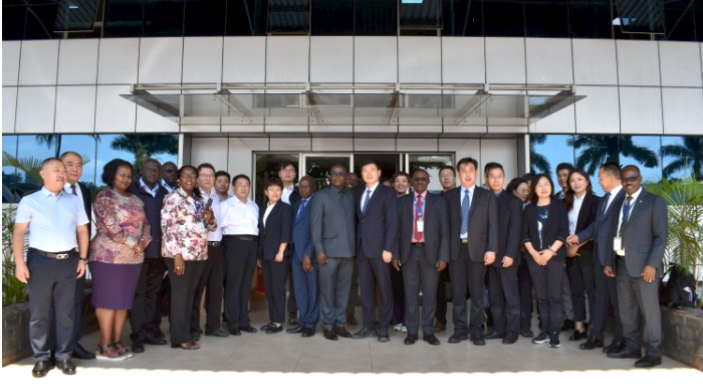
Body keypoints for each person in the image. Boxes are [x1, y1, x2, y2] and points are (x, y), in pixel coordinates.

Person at [13, 158, 89, 378]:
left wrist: (82, 259)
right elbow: (19, 232)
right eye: (57, 170)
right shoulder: (30, 201)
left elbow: (82, 231)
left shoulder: (73, 200)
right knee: (39, 313)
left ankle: (64, 356)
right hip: (40, 262)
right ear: (43, 173)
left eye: (63, 171)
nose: (62, 174)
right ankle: (41, 358)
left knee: (66, 312)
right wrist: (20, 263)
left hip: (68, 262)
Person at [604, 165, 667, 368]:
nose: (628, 182)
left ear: (640, 178)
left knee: (649, 312)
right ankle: (632, 347)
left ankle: (654, 352)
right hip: (622, 265)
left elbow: (660, 237)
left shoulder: (654, 202)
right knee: (627, 311)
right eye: (624, 179)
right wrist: (610, 261)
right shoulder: (619, 203)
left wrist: (652, 264)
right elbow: (614, 234)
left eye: (632, 178)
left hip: (644, 268)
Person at [90, 159, 152, 360]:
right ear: (112, 175)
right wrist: (135, 242)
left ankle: (117, 341)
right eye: (121, 174)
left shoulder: (136, 199)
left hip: (133, 259)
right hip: (107, 257)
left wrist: (144, 242)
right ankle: (104, 344)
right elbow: (111, 226)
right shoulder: (104, 197)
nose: (126, 178)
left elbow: (147, 225)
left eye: (128, 175)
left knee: (123, 301)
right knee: (108, 300)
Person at [567, 161, 627, 352]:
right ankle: (596, 336)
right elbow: (595, 227)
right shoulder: (605, 199)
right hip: (599, 260)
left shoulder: (625, 198)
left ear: (610, 178)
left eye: (601, 178)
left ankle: (620, 340)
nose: (599, 182)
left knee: (618, 303)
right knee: (598, 300)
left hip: (616, 260)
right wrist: (579, 237)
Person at [161, 165, 217, 350]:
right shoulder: (172, 199)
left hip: (198, 254)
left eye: (193, 176)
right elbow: (168, 228)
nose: (189, 179)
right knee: (180, 295)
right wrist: (177, 255)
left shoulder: (197, 200)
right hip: (180, 256)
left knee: (190, 296)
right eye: (186, 176)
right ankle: (180, 337)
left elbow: (209, 226)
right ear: (179, 178)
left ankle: (185, 332)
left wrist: (210, 218)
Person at [445, 158, 498, 346]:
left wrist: (492, 249)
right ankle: (459, 330)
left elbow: (493, 225)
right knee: (458, 294)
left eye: (471, 170)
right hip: (456, 249)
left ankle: (476, 330)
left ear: (476, 173)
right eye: (463, 170)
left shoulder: (487, 196)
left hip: (478, 250)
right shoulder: (449, 196)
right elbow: (445, 227)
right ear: (458, 174)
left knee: (477, 293)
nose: (467, 174)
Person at [394, 169, 448, 346]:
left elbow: (444, 231)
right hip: (409, 253)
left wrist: (443, 256)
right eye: (416, 179)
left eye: (423, 179)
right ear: (411, 181)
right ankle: (411, 332)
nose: (419, 182)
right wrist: (395, 255)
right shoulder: (402, 202)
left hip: (430, 253)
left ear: (428, 181)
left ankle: (428, 331)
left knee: (430, 294)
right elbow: (396, 232)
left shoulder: (438, 202)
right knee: (410, 295)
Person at [353, 160, 398, 342]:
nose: (369, 173)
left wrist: (388, 248)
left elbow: (392, 223)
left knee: (385, 289)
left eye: (372, 170)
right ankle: (368, 326)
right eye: (365, 170)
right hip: (362, 249)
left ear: (379, 173)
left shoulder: (387, 193)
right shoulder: (359, 193)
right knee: (366, 290)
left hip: (381, 250)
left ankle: (383, 327)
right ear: (361, 175)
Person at [522, 174, 568, 348]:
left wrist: (549, 252)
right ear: (534, 188)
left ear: (551, 186)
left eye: (546, 184)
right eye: (539, 185)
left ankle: (555, 333)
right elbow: (524, 234)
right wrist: (534, 254)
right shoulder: (529, 209)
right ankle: (545, 331)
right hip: (534, 259)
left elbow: (563, 232)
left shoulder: (559, 207)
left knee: (554, 297)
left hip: (555, 258)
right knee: (541, 297)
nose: (543, 187)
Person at [311, 165, 356, 341]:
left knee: (343, 292)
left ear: (345, 177)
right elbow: (315, 226)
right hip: (328, 253)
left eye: (341, 174)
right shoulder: (321, 196)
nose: (337, 176)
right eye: (334, 174)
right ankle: (328, 325)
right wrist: (319, 250)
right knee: (327, 291)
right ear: (329, 177)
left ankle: (340, 324)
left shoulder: (351, 196)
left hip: (348, 252)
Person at [129, 159, 169, 353]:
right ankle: (137, 334)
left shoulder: (164, 193)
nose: (153, 172)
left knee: (154, 293)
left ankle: (152, 330)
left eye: (156, 169)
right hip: (138, 252)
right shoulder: (132, 190)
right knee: (138, 293)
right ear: (142, 170)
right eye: (149, 168)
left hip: (159, 252)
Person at [59, 151, 95, 360]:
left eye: (79, 165)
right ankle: (55, 349)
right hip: (55, 255)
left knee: (75, 302)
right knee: (56, 304)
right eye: (70, 164)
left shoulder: (84, 191)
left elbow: (85, 226)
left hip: (78, 257)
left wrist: (84, 254)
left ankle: (73, 344)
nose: (75, 169)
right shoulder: (51, 192)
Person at [484, 163, 523, 344]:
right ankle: (498, 329)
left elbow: (516, 230)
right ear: (486, 179)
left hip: (507, 257)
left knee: (510, 296)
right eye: (492, 176)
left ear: (504, 178)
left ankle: (512, 331)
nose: (496, 179)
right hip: (489, 258)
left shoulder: (513, 201)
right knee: (495, 296)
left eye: (500, 176)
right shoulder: (484, 199)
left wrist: (510, 254)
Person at [192, 163, 228, 338]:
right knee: (197, 290)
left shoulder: (218, 199)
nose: (208, 178)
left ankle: (213, 326)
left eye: (211, 175)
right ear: (197, 178)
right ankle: (193, 327)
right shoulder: (193, 197)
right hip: (200, 249)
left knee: (215, 290)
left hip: (217, 249)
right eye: (204, 175)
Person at [220, 174, 260, 335]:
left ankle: (244, 320)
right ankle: (232, 322)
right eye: (240, 185)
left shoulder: (254, 205)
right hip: (234, 244)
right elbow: (219, 227)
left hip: (252, 245)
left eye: (247, 185)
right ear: (233, 188)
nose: (244, 188)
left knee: (246, 285)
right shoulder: (226, 205)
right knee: (233, 284)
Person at [563, 169, 599, 341]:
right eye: (572, 181)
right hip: (569, 253)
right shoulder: (565, 203)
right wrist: (567, 246)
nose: (576, 183)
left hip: (587, 251)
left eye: (580, 179)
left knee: (591, 292)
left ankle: (594, 327)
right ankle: (579, 327)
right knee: (575, 290)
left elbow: (595, 227)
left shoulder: (595, 201)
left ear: (587, 181)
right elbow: (561, 227)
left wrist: (577, 245)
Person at [257, 178, 292, 334]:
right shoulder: (263, 208)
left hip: (278, 254)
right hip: (265, 254)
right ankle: (272, 320)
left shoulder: (285, 208)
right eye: (271, 189)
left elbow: (286, 231)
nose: (275, 192)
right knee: (269, 289)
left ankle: (277, 322)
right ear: (266, 192)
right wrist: (259, 255)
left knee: (277, 288)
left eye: (278, 189)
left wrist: (281, 251)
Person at [286, 176, 319, 337]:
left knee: (312, 290)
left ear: (314, 187)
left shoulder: (317, 204)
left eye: (308, 186)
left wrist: (308, 254)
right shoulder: (297, 204)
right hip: (295, 254)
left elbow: (316, 232)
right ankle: (303, 321)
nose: (304, 189)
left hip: (309, 255)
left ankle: (310, 324)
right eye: (301, 186)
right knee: (299, 290)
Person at [507, 177, 535, 337]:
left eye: (528, 190)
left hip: (526, 255)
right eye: (523, 190)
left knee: (525, 291)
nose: (526, 193)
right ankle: (509, 323)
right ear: (513, 190)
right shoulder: (506, 205)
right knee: (509, 291)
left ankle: (525, 325)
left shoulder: (530, 208)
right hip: (509, 254)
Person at [277, 161, 300, 325]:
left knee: (294, 280)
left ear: (295, 175)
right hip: (277, 242)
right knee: (278, 280)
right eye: (285, 170)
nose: (288, 173)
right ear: (279, 173)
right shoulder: (272, 191)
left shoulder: (300, 193)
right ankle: (276, 314)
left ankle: (292, 312)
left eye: (291, 170)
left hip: (294, 242)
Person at [435, 165, 456, 333]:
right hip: (440, 250)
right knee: (438, 288)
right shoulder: (435, 199)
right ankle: (440, 320)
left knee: (462, 288)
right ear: (439, 180)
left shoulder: (463, 197)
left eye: (449, 175)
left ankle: (464, 323)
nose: (446, 178)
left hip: (460, 250)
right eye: (443, 175)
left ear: (455, 178)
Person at [555, 162, 576, 331]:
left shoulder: (579, 196)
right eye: (560, 175)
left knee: (578, 287)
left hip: (578, 247)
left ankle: (582, 320)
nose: (563, 178)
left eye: (566, 175)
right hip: (559, 248)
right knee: (564, 286)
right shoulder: (555, 197)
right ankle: (569, 317)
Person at [390, 171, 410, 333]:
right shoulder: (389, 201)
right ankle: (398, 318)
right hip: (389, 251)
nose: (401, 184)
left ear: (408, 184)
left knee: (407, 288)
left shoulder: (413, 202)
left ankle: (407, 320)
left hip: (407, 251)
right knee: (395, 288)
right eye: (397, 181)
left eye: (404, 181)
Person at [344, 171, 360, 326]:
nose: (351, 181)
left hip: (356, 249)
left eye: (354, 180)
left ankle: (350, 313)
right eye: (348, 179)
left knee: (353, 283)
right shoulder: (337, 196)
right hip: (337, 248)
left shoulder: (360, 198)